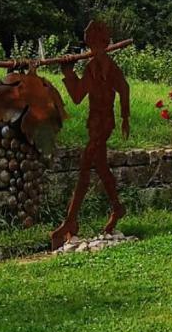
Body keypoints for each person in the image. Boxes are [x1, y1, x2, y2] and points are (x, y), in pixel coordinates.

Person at [51, 20, 130, 249]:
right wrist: (67, 72)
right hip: (93, 123)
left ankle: (69, 221)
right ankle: (117, 207)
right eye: (91, 44)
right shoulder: (90, 67)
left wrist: (125, 118)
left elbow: (124, 89)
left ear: (105, 43)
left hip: (104, 124)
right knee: (101, 167)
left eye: (98, 43)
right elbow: (77, 96)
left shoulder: (111, 68)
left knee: (85, 169)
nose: (95, 47)